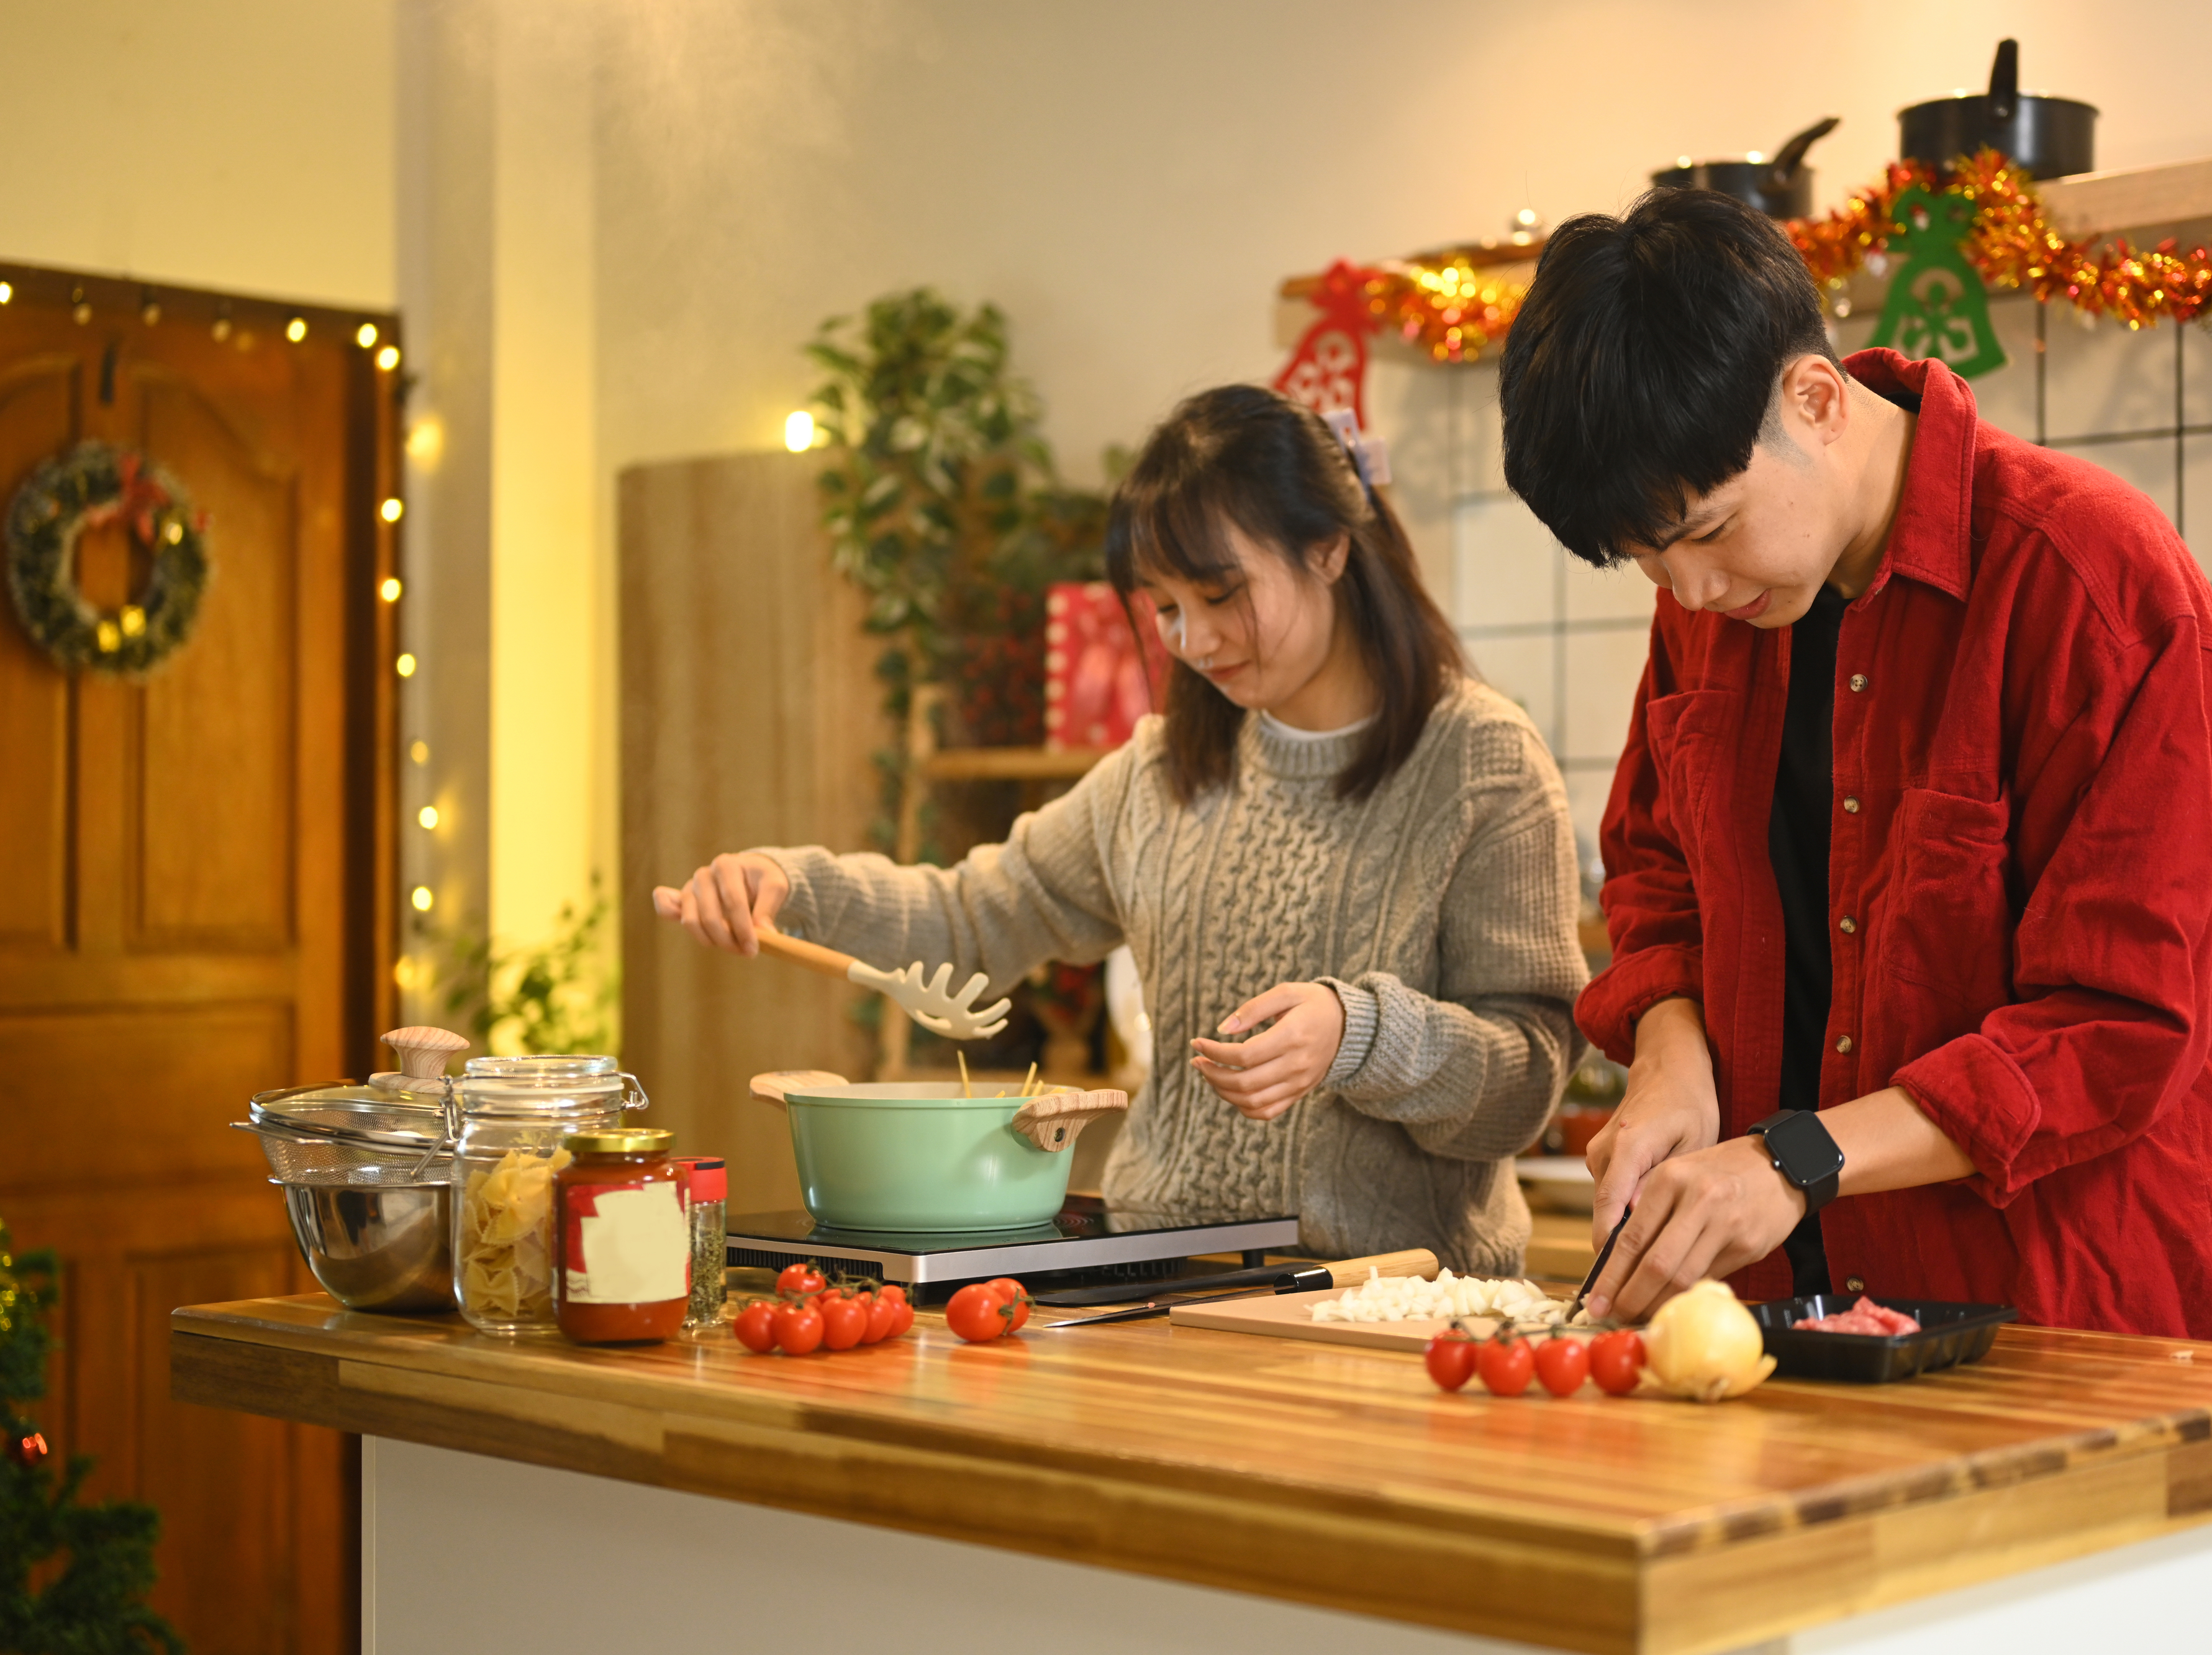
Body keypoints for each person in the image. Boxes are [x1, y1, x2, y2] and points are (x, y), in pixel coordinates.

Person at [1497, 188, 2212, 1341]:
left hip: (2059, 1319)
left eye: (1703, 532)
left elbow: (2119, 1021)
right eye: (1648, 563)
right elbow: (1658, 878)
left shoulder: (2090, 580)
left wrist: (1797, 1158)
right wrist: (1672, 1059)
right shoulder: (1718, 601)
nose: (1691, 592)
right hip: (1775, 1323)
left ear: (1814, 398)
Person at [655, 384, 1588, 1272]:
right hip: (1157, 1281)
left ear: (1331, 549)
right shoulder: (1160, 772)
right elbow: (970, 918)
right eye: (1168, 607)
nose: (1191, 641)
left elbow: (1529, 1079)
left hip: (1387, 1308)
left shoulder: (1481, 763)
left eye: (1222, 596)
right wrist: (790, 885)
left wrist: (1362, 1033)